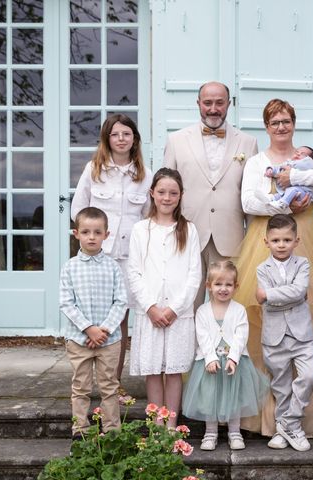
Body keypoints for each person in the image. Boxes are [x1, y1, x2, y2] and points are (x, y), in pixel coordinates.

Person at [235, 98, 313, 446]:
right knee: (263, 321)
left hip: (304, 239)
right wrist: (283, 201)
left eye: (286, 121)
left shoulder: (307, 156)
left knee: (312, 320)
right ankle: (268, 416)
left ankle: (304, 412)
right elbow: (247, 202)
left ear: (294, 123)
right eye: (274, 122)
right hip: (267, 236)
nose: (281, 127)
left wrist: (297, 177)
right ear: (266, 126)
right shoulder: (258, 161)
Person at [71, 114, 152, 405]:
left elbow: (149, 218)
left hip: (129, 260)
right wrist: (94, 236)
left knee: (120, 322)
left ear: (134, 139)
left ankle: (113, 384)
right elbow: (77, 210)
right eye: (115, 134)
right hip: (97, 259)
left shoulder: (144, 175)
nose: (121, 139)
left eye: (127, 134)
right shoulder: (94, 171)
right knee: (91, 316)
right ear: (107, 139)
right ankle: (84, 381)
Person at [163, 81, 258, 308]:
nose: (213, 109)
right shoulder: (176, 141)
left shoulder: (248, 142)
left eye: (219, 103)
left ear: (229, 104)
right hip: (186, 235)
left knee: (226, 308)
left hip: (231, 238)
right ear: (198, 103)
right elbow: (166, 191)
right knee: (186, 305)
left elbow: (251, 194)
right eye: (207, 103)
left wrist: (252, 238)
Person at [126, 168, 201, 428]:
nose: (167, 198)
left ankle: (171, 426)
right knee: (153, 369)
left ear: (180, 196)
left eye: (173, 193)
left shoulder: (189, 230)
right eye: (161, 192)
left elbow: (194, 275)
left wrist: (174, 309)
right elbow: (134, 272)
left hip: (178, 315)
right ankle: (156, 424)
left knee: (173, 370)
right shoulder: (140, 230)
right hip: (150, 313)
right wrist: (150, 307)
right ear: (152, 194)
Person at [182, 260, 269, 451]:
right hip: (209, 363)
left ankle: (234, 432)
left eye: (228, 284)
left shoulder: (239, 310)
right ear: (208, 286)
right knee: (210, 396)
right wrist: (211, 358)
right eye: (218, 284)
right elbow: (202, 336)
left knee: (234, 396)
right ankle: (210, 433)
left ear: (236, 287)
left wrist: (234, 358)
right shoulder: (203, 311)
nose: (223, 289)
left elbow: (241, 335)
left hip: (233, 363)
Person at [59, 207, 127, 439]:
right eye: (86, 232)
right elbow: (67, 304)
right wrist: (89, 329)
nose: (91, 237)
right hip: (79, 340)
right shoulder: (70, 267)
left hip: (109, 340)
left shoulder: (113, 267)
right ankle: (80, 429)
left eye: (97, 232)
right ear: (76, 233)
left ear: (106, 235)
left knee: (109, 386)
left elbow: (121, 302)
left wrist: (104, 330)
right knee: (81, 386)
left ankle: (112, 430)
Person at [255, 214, 313, 451]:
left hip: (302, 334)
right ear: (267, 242)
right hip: (274, 335)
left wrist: (269, 295)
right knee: (281, 386)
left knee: (310, 376)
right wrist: (293, 297)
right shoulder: (262, 269)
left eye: (286, 240)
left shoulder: (303, 264)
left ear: (296, 241)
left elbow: (299, 290)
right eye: (276, 240)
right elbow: (294, 295)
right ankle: (286, 429)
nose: (281, 245)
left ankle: (289, 423)